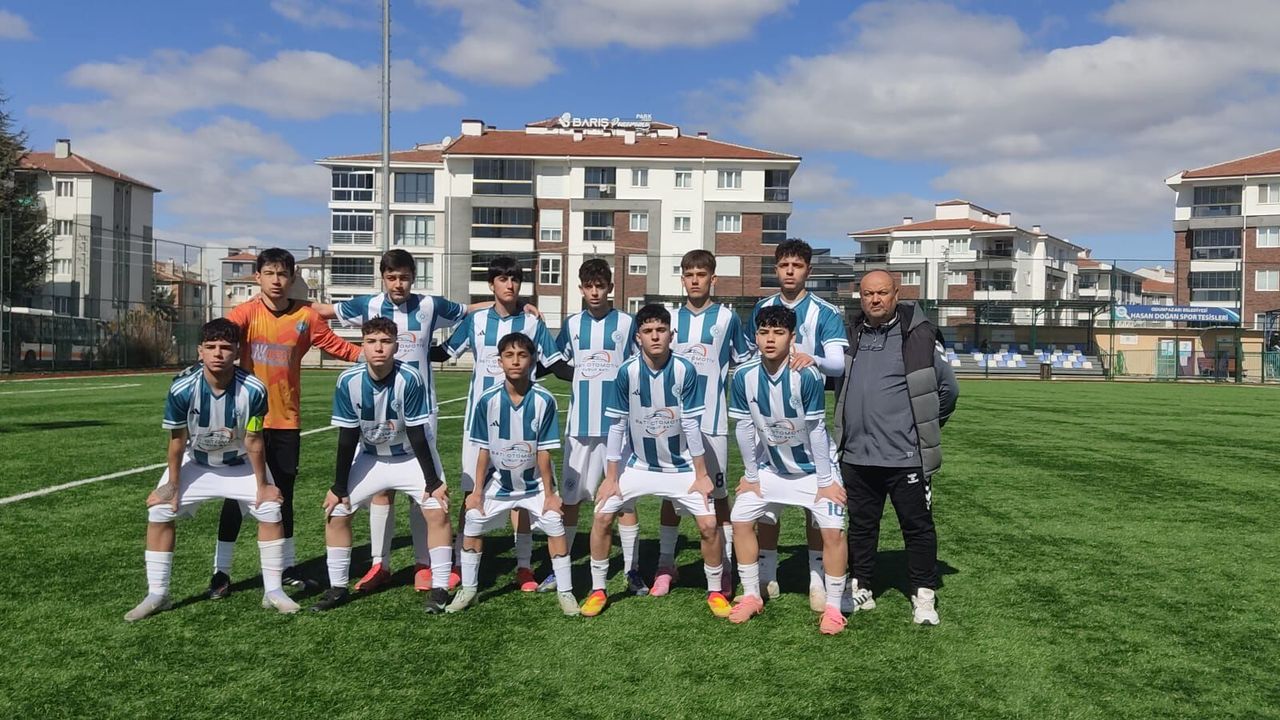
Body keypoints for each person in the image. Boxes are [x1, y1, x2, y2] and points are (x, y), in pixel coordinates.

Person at [313, 249, 467, 594]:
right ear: (382, 277)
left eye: (404, 277)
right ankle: (379, 564)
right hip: (375, 408)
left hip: (421, 408)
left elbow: (469, 312)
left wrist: (518, 306)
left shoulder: (430, 305)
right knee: (380, 490)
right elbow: (320, 311)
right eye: (392, 277)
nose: (398, 284)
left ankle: (424, 564)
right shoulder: (366, 305)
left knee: (422, 492)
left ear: (414, 277)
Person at [211, 248, 363, 597]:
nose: (276, 281)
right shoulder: (245, 314)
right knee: (235, 498)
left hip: (286, 421)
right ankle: (221, 572)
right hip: (245, 422)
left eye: (282, 274)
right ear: (257, 277)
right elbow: (220, 340)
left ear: (293, 278)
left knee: (283, 496)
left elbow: (336, 345)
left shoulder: (306, 316)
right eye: (269, 273)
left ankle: (287, 566)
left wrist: (370, 355)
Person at [125, 319, 298, 621]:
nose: (218, 353)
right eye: (211, 347)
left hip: (239, 463)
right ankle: (158, 594)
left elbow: (254, 439)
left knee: (270, 508)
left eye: (226, 347)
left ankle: (273, 591)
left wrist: (262, 485)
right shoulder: (182, 388)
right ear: (200, 351)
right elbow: (177, 441)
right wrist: (173, 485)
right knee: (160, 510)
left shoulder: (254, 389)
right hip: (198, 462)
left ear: (237, 352)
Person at [580, 304, 728, 618]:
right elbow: (617, 425)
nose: (655, 336)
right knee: (602, 516)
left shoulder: (685, 370)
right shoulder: (627, 372)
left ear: (671, 334)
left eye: (660, 330)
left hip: (681, 466)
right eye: (648, 331)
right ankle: (598, 589)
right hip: (639, 465)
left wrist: (701, 474)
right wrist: (611, 477)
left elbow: (691, 425)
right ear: (638, 337)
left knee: (708, 525)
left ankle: (715, 591)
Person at [834, 269, 958, 625]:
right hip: (856, 456)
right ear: (860, 297)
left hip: (905, 457)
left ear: (896, 294)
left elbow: (949, 391)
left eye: (882, 293)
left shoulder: (919, 335)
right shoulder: (850, 334)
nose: (875, 299)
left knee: (917, 527)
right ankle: (862, 585)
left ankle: (923, 594)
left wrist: (922, 428)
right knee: (861, 526)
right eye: (868, 294)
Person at [311, 317, 453, 614]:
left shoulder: (410, 378)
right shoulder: (348, 381)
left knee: (436, 508)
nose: (378, 348)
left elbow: (417, 433)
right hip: (371, 456)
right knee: (337, 510)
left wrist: (432, 482)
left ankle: (440, 587)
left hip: (409, 456)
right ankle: (337, 588)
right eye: (372, 341)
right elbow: (347, 437)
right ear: (362, 345)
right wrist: (338, 487)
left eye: (386, 342)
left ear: (396, 347)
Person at [725, 306, 849, 634]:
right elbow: (744, 428)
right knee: (740, 518)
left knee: (833, 532)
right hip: (772, 468)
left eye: (778, 333)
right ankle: (752, 595)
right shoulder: (743, 376)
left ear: (792, 338)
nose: (770, 339)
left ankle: (833, 607)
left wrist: (825, 481)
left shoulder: (806, 375)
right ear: (755, 336)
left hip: (814, 470)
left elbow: (817, 430)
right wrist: (751, 476)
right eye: (764, 332)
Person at [442, 256, 562, 592]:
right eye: (502, 279)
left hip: (523, 427)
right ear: (491, 284)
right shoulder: (477, 320)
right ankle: (460, 562)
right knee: (472, 491)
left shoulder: (533, 322)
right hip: (480, 426)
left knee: (520, 491)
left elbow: (554, 363)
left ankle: (524, 566)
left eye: (514, 279)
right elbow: (443, 352)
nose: (509, 285)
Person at [447, 333, 578, 616]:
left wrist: (550, 494)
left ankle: (566, 591)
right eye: (509, 355)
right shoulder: (487, 400)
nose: (515, 361)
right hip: (500, 483)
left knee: (554, 522)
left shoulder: (544, 399)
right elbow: (483, 450)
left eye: (522, 355)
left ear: (532, 360)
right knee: (473, 519)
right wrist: (477, 492)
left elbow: (544, 452)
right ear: (500, 361)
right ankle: (468, 589)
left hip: (534, 484)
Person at [748, 239, 849, 610]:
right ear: (776, 269)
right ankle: (766, 575)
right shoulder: (762, 308)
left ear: (808, 270)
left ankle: (817, 580)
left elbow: (837, 364)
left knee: (814, 503)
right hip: (767, 419)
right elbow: (751, 355)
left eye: (797, 265)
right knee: (766, 503)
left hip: (807, 418)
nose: (790, 272)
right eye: (783, 265)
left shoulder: (825, 312)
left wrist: (812, 359)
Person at [657, 250, 751, 597]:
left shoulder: (727, 318)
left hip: (712, 422)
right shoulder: (669, 318)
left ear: (713, 278)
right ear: (682, 278)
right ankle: (666, 564)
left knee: (719, 494)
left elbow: (743, 361)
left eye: (701, 274)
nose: (695, 280)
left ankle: (724, 566)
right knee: (671, 495)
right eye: (689, 274)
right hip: (674, 424)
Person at [551, 259, 643, 594]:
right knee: (571, 499)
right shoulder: (572, 324)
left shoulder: (627, 323)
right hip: (580, 426)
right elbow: (556, 362)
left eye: (600, 286)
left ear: (610, 288)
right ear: (580, 289)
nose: (594, 292)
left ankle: (632, 570)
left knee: (623, 499)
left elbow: (641, 362)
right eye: (588, 286)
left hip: (618, 426)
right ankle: (560, 567)